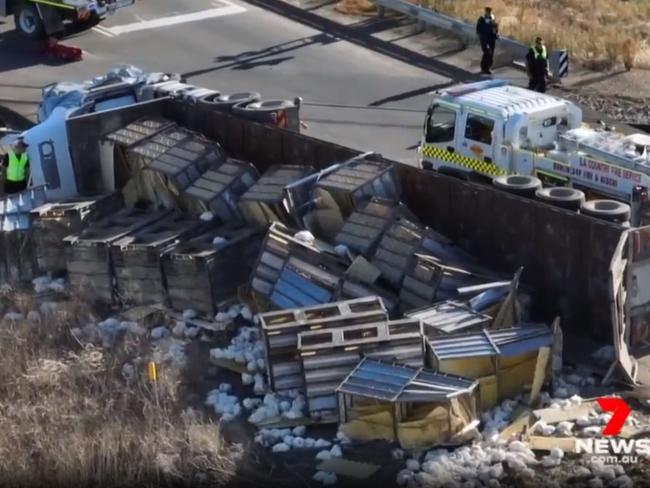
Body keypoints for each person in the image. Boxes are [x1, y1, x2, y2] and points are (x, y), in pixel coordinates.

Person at [476, 7, 499, 74]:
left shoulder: (492, 19)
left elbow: (494, 28)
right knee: (487, 52)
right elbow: (478, 29)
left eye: (489, 12)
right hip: (484, 39)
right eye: (487, 11)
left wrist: (496, 34)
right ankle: (483, 68)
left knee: (491, 54)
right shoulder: (482, 19)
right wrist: (481, 36)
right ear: (485, 12)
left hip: (491, 39)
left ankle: (487, 68)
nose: (488, 13)